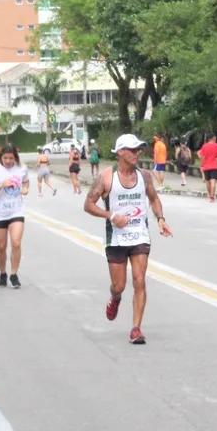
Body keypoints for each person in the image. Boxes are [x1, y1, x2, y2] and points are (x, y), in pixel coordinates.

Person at [84, 134, 173, 345]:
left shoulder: (145, 176)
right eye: (133, 150)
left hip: (139, 234)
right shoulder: (106, 178)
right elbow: (88, 205)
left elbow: (154, 198)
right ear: (121, 152)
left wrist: (160, 218)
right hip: (116, 238)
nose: (138, 153)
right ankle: (115, 298)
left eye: (139, 149)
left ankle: (136, 329)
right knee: (119, 286)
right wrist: (112, 216)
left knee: (139, 280)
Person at [0, 144, 30, 288]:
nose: (8, 161)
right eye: (5, 158)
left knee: (16, 242)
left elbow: (26, 181)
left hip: (16, 211)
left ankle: (14, 274)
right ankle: (3, 273)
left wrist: (25, 188)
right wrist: (1, 185)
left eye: (11, 158)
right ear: (0, 157)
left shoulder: (22, 168)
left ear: (15, 158)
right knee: (1, 246)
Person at [198, 133, 217, 202]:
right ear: (212, 138)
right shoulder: (216, 145)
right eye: (215, 138)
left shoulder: (204, 146)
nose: (215, 139)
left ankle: (210, 195)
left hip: (206, 166)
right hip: (214, 166)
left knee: (207, 182)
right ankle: (212, 197)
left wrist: (202, 165)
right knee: (213, 182)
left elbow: (200, 155)